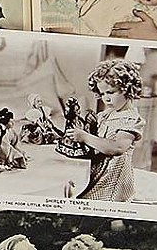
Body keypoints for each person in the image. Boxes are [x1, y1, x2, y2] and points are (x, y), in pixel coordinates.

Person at [63, 59, 146, 203]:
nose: (106, 98)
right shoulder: (107, 114)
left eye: (111, 92)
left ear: (127, 89)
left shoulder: (131, 119)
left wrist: (85, 137)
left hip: (113, 180)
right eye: (102, 93)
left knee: (101, 204)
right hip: (98, 171)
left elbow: (117, 148)